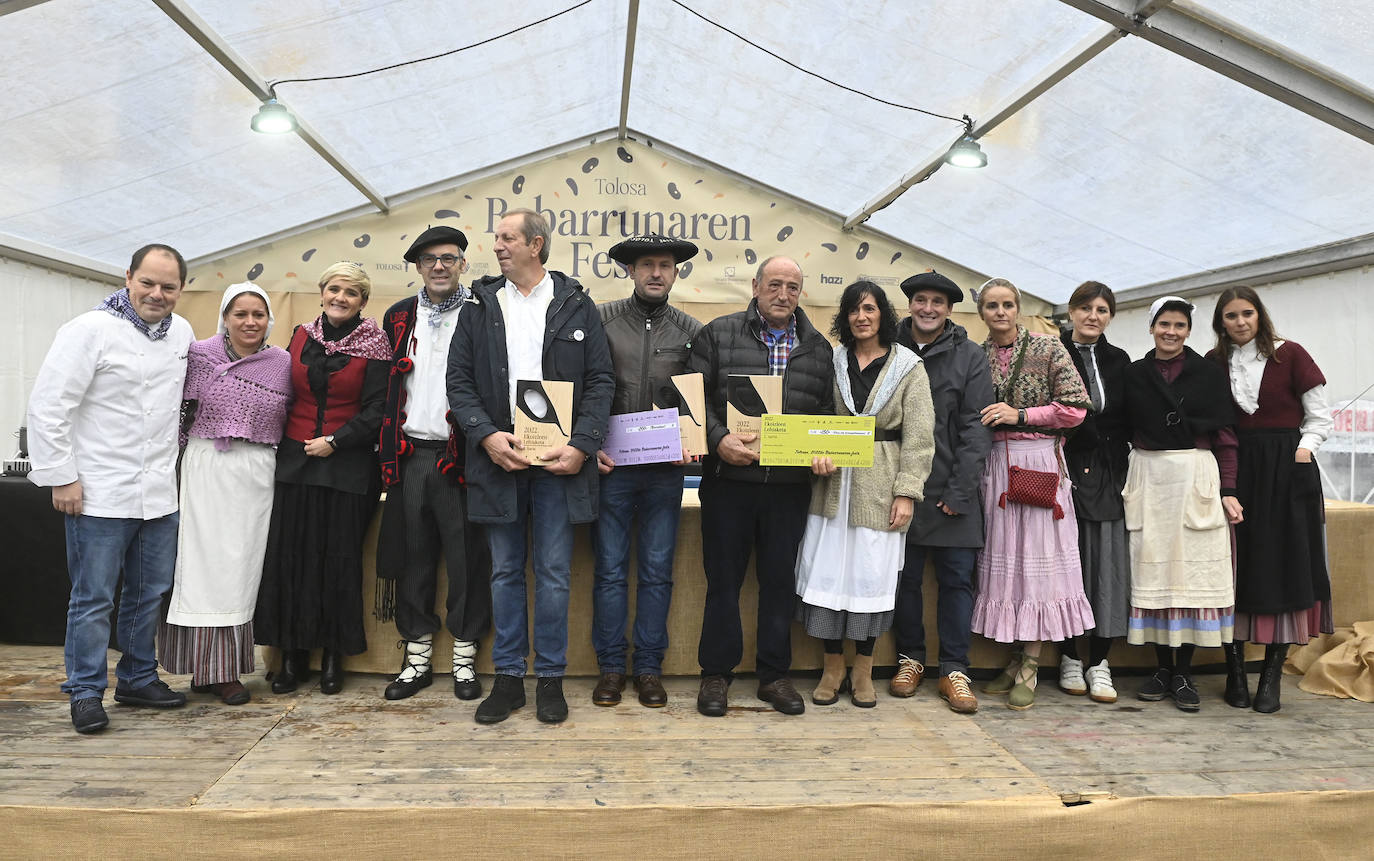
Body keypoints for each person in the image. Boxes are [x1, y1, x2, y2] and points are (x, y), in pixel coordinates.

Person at [448, 209, 615, 725]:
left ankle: (549, 679)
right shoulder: (478, 305)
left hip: (558, 465)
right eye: (496, 237)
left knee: (554, 574)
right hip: (500, 462)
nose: (496, 245)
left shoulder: (577, 305)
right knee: (503, 572)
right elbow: (458, 382)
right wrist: (486, 435)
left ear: (536, 244)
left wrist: (582, 445)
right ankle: (508, 680)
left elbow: (601, 382)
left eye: (507, 238)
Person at [27, 244, 196, 733]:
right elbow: (49, 406)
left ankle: (139, 677)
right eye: (148, 282)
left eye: (168, 286)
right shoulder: (88, 330)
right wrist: (61, 476)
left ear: (182, 289)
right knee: (94, 597)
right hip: (99, 490)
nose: (157, 294)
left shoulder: (181, 332)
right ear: (128, 278)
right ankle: (84, 691)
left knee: (149, 594)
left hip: (160, 492)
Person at [688, 255, 835, 718]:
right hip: (729, 483)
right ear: (755, 285)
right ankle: (716, 675)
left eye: (793, 287)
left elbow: (828, 417)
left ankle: (774, 677)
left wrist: (824, 452)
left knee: (778, 584)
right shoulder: (719, 332)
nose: (783, 295)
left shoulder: (818, 347)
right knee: (723, 583)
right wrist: (717, 440)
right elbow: (690, 396)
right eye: (774, 284)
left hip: (789, 487)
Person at [795, 281, 934, 708]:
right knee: (830, 574)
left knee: (870, 577)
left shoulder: (908, 367)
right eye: (854, 310)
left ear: (883, 315)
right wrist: (814, 452)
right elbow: (813, 414)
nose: (862, 317)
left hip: (880, 485)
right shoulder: (830, 360)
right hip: (832, 488)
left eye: (870, 309)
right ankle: (832, 665)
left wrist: (907, 491)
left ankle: (863, 669)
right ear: (845, 316)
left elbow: (920, 437)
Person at [255, 262, 392, 695]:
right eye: (334, 289)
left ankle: (334, 656)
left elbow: (378, 409)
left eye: (351, 292)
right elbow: (284, 393)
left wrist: (335, 440)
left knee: (338, 562)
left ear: (363, 302)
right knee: (291, 559)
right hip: (295, 463)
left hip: (348, 466)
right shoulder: (299, 337)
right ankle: (293, 656)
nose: (341, 297)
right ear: (321, 293)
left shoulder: (377, 344)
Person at [157, 283, 292, 706]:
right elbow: (172, 411)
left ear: (269, 319)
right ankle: (209, 669)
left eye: (258, 314)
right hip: (205, 468)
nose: (250, 322)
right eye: (241, 314)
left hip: (256, 472)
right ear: (225, 317)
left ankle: (225, 669)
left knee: (241, 569)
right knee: (202, 567)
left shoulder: (282, 363)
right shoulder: (199, 355)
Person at [375, 226, 492, 702]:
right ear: (418, 267)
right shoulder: (398, 316)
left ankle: (464, 659)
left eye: (448, 258)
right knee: (413, 557)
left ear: (463, 263)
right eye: (429, 259)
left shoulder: (484, 313)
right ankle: (417, 657)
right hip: (411, 454)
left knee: (468, 560)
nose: (439, 266)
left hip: (462, 456)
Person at [970, 278, 1095, 711]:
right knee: (1010, 562)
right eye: (991, 306)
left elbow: (1077, 408)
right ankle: (1015, 656)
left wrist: (1020, 412)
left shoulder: (1049, 347)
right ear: (981, 312)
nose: (1000, 312)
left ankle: (1031, 662)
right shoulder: (977, 354)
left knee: (1039, 563)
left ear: (1018, 308)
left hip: (1039, 460)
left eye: (1007, 304)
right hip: (995, 466)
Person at [591, 233, 703, 708]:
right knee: (611, 572)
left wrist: (694, 445)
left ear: (677, 272)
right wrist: (586, 444)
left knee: (657, 572)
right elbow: (581, 387)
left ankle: (649, 669)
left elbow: (699, 398)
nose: (656, 272)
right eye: (647, 265)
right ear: (631, 272)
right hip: (611, 469)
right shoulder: (600, 322)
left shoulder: (694, 331)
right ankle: (612, 668)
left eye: (665, 265)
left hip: (664, 473)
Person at [1210, 285, 1333, 713]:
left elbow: (1320, 415)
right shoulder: (1214, 362)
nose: (1240, 322)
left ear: (1259, 315)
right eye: (1231, 316)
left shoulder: (1291, 354)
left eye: (1247, 313)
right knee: (1236, 563)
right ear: (1220, 322)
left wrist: (1304, 448)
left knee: (1284, 562)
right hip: (1236, 469)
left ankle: (1271, 676)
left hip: (1287, 466)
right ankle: (1234, 673)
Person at [1122, 296, 1242, 712]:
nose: (1171, 332)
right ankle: (1161, 668)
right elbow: (1119, 429)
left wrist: (1229, 490)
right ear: (1152, 327)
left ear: (1189, 331)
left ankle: (1185, 671)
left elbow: (1225, 437)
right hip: (1149, 476)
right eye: (1163, 324)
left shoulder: (1208, 374)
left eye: (1179, 325)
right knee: (1152, 568)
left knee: (1192, 574)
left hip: (1195, 475)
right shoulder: (1134, 374)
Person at [889, 270, 993, 715]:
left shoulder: (970, 356)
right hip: (900, 489)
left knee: (956, 583)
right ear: (909, 304)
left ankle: (954, 669)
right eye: (920, 300)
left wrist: (960, 491)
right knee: (905, 580)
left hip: (954, 490)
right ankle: (910, 659)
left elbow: (975, 429)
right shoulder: (889, 349)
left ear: (951, 310)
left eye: (937, 302)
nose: (928, 308)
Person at [1055, 281, 1132, 705]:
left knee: (1106, 563)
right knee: (1066, 563)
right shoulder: (1052, 352)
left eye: (1102, 310)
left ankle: (1099, 661)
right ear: (1071, 311)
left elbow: (1131, 416)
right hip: (1063, 467)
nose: (1093, 316)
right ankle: (1067, 654)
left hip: (1109, 471)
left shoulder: (1119, 360)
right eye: (1085, 308)